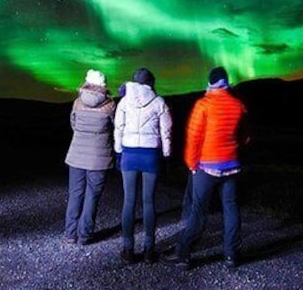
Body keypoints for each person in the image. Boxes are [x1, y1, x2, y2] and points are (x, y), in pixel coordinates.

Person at [164, 66, 249, 270]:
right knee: (231, 209)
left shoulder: (203, 104)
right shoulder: (239, 106)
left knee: (198, 211)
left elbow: (194, 138)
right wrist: (234, 150)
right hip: (231, 166)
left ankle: (183, 255)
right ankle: (231, 256)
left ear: (210, 82)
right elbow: (245, 137)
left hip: (207, 166)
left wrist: (192, 164)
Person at [114, 67, 173, 264]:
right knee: (149, 202)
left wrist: (118, 151)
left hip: (129, 154)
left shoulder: (124, 102)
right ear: (151, 82)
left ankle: (128, 249)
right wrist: (166, 155)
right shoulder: (159, 102)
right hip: (150, 156)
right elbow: (167, 131)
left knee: (128, 202)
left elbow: (118, 128)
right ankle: (149, 249)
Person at [64, 69, 116, 245]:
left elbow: (74, 124)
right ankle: (85, 234)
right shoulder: (109, 105)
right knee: (92, 195)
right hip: (99, 157)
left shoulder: (78, 103)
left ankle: (70, 233)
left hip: (76, 155)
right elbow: (114, 127)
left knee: (75, 193)